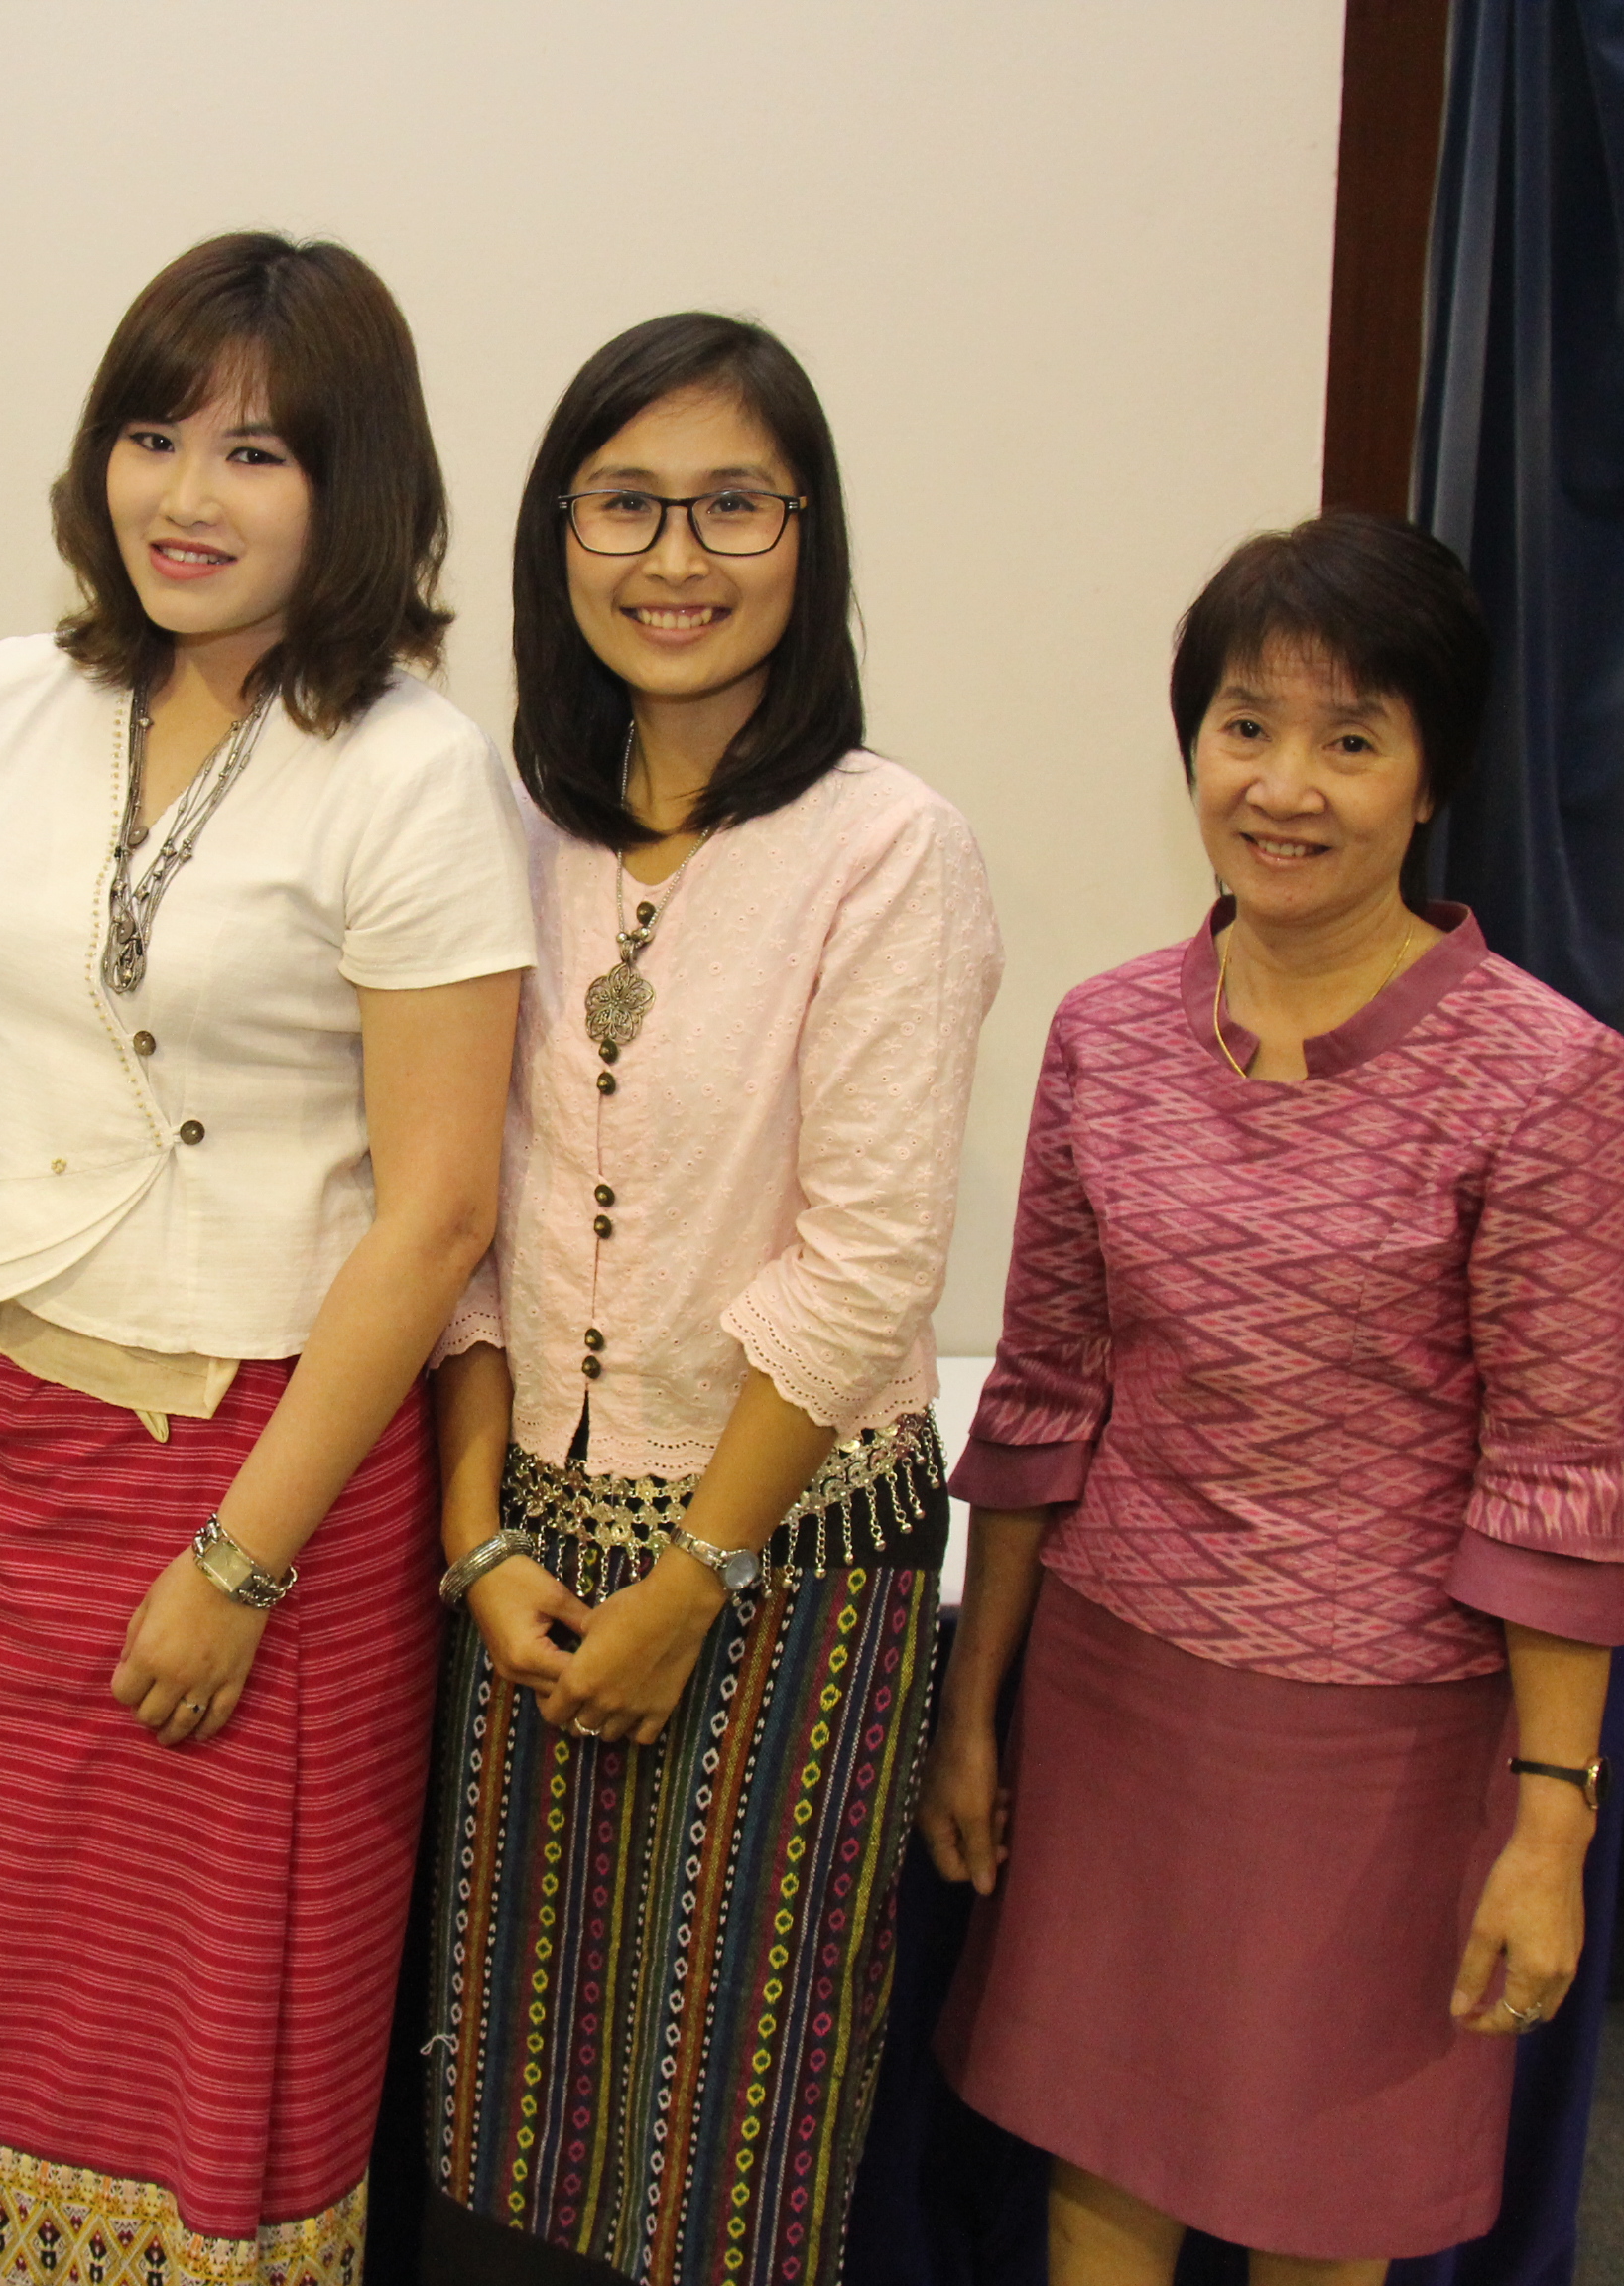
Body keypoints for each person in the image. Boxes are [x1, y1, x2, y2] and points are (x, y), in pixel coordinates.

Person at [0, 231, 534, 2282]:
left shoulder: (413, 767)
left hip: (271, 1491)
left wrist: (239, 1564)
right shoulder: (8, 702)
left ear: (354, 484)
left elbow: (439, 1213)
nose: (185, 496)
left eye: (255, 453)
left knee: (225, 2072)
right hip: (1, 1466)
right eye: (152, 437)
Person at [920, 512, 1624, 2284]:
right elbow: (1042, 1401)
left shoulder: (1545, 1076)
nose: (1286, 786)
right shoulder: (1108, 1034)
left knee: (1324, 2209)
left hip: (1381, 1741)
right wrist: (974, 1709)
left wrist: (1552, 1818)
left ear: (1431, 774)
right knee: (1100, 2164)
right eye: (1246, 726)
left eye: (1352, 739)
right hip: (1115, 1697)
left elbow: (1555, 1474)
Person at [416, 314, 1002, 2284]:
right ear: (557, 535)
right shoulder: (500, 833)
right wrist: (476, 1538)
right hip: (526, 1558)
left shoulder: (887, 847)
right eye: (626, 505)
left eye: (733, 505)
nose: (676, 557)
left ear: (806, 539)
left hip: (786, 1559)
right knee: (500, 2119)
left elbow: (868, 1263)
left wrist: (694, 1585)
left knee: (721, 2147)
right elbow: (458, 1227)